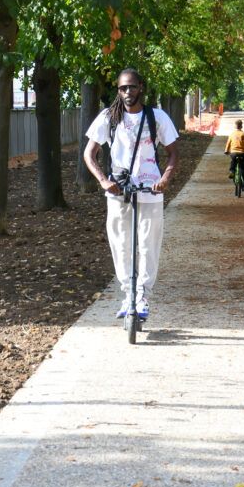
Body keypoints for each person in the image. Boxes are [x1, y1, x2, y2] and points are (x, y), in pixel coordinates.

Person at [83, 69, 179, 320]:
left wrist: (165, 179)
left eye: (132, 87)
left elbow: (172, 153)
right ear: (118, 90)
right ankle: (128, 294)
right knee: (121, 244)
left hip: (150, 191)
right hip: (118, 191)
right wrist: (104, 181)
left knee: (148, 245)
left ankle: (143, 295)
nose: (127, 93)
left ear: (141, 88)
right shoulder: (108, 117)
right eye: (123, 88)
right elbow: (89, 154)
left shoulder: (157, 117)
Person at [224, 119, 244, 191]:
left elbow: (228, 143)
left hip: (234, 153)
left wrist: (226, 151)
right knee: (243, 169)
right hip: (243, 153)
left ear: (235, 126)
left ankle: (232, 171)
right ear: (241, 126)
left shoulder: (232, 134)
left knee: (233, 161)